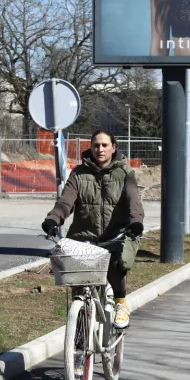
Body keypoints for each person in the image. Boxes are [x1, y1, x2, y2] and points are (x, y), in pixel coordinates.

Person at [42, 130, 144, 329]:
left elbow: (134, 201)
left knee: (117, 263)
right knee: (78, 281)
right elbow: (65, 201)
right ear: (91, 147)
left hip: (117, 235)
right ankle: (79, 329)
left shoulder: (125, 173)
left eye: (105, 145)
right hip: (84, 236)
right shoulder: (79, 174)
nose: (100, 149)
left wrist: (136, 222)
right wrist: (53, 219)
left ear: (113, 148)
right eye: (96, 145)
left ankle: (121, 303)